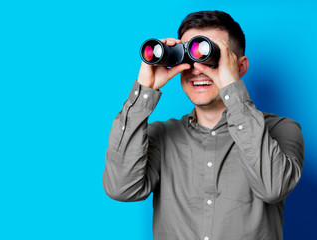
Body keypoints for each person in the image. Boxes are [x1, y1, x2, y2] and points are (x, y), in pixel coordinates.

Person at [102, 10, 304, 240]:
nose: (198, 68)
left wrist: (231, 88)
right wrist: (144, 89)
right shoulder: (160, 135)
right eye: (188, 57)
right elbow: (120, 188)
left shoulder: (281, 130)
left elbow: (272, 187)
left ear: (240, 67)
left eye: (211, 55)